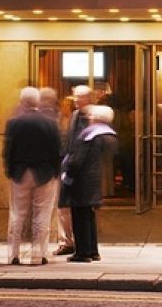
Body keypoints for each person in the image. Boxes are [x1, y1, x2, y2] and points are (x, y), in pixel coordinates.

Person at [4, 86, 62, 266]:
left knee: (17, 214)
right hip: (44, 173)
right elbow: (56, 151)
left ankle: (14, 254)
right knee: (42, 214)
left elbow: (8, 151)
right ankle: (40, 254)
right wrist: (55, 172)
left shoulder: (14, 123)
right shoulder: (50, 123)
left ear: (22, 101)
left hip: (20, 173)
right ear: (38, 101)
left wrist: (10, 171)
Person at [62, 104, 118, 263]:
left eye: (92, 116)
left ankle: (83, 252)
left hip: (81, 181)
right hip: (93, 180)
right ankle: (93, 250)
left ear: (97, 118)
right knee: (89, 215)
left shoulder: (90, 135)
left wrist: (67, 173)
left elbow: (77, 160)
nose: (89, 118)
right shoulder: (107, 135)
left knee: (79, 216)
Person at [55, 85, 94, 255]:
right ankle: (77, 246)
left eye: (79, 97)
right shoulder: (75, 116)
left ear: (89, 98)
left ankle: (85, 250)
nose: (76, 100)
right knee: (69, 208)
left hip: (80, 170)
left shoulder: (89, 116)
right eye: (75, 97)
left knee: (81, 210)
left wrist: (71, 165)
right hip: (69, 166)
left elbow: (82, 145)